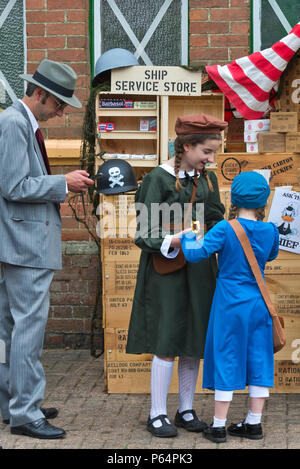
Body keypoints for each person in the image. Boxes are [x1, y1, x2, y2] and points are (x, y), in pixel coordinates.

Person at [0, 59, 94, 439]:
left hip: (19, 244)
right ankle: (24, 411)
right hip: (25, 246)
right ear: (39, 94)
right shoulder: (13, 123)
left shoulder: (19, 122)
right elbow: (13, 186)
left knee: (8, 330)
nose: (60, 113)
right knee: (27, 332)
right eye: (58, 104)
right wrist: (62, 183)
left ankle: (14, 403)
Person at [126, 113, 227, 437]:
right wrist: (172, 239)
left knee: (193, 338)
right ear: (186, 146)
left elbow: (215, 217)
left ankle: (186, 409)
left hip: (199, 270)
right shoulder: (157, 179)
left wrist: (209, 236)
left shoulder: (207, 180)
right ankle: (157, 413)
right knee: (167, 338)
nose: (211, 159)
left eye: (213, 153)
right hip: (165, 269)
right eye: (207, 152)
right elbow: (142, 232)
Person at [180, 171, 279, 443]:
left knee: (226, 355)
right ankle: (254, 424)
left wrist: (191, 233)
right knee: (259, 357)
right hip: (258, 303)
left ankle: (218, 426)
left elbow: (194, 253)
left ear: (234, 198)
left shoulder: (225, 228)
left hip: (229, 303)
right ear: (263, 201)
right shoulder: (270, 230)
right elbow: (270, 255)